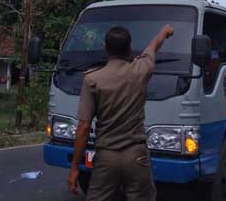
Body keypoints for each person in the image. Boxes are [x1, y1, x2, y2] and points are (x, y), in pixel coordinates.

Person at [67, 24, 175, 201]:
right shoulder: (140, 70)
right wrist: (164, 32)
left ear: (105, 49)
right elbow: (153, 46)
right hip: (136, 156)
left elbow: (84, 127)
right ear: (129, 48)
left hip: (106, 157)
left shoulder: (92, 79)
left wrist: (74, 168)